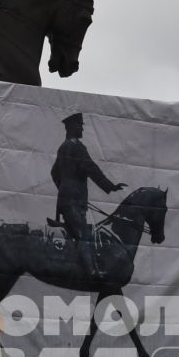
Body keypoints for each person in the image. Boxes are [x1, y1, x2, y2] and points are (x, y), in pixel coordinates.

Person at [50, 111, 124, 282]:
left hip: (68, 200)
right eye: (80, 125)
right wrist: (110, 186)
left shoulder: (63, 147)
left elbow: (54, 172)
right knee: (84, 234)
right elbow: (91, 168)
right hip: (74, 201)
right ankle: (91, 271)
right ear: (71, 127)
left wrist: (63, 189)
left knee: (77, 233)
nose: (82, 128)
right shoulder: (76, 147)